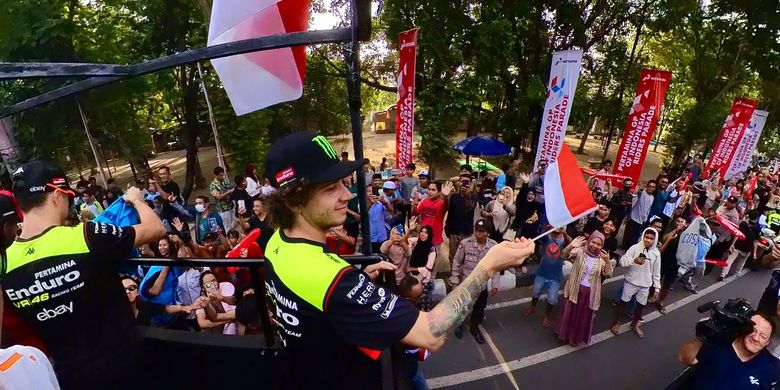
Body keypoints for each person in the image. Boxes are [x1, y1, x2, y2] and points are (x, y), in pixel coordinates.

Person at [261, 132, 534, 388]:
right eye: (331, 188)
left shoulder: (277, 241)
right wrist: (489, 264)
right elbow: (430, 332)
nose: (348, 194)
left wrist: (358, 280)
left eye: (344, 183)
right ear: (293, 202)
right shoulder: (332, 280)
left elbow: (311, 300)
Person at [0, 160, 165, 389]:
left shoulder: (4, 263)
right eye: (67, 196)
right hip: (126, 367)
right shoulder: (85, 236)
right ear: (57, 195)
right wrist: (136, 199)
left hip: (69, 378)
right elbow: (156, 228)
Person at [678, 312, 777, 389]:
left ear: (767, 342)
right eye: (753, 330)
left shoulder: (770, 369)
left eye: (763, 336)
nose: (755, 338)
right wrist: (701, 337)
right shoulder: (717, 342)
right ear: (744, 328)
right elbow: (684, 358)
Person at [556, 232, 613, 346]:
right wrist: (571, 245)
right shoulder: (580, 251)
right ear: (589, 241)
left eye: (598, 244)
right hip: (574, 289)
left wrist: (607, 261)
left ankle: (575, 338)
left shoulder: (602, 259)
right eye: (593, 242)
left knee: (582, 318)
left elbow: (608, 274)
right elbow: (564, 255)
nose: (595, 246)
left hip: (589, 293)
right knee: (570, 313)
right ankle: (564, 335)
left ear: (602, 246)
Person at [449, 219, 500, 344]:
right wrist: (454, 280)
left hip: (481, 285)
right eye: (476, 230)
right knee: (461, 308)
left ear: (488, 233)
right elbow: (456, 263)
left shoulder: (493, 246)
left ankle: (474, 328)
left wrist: (495, 284)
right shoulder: (465, 243)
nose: (478, 233)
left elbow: (496, 266)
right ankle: (459, 326)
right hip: (465, 284)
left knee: (479, 309)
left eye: (482, 231)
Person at [611, 228, 661, 338]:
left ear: (655, 240)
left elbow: (656, 272)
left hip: (645, 285)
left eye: (651, 238)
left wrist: (657, 287)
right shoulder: (635, 248)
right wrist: (633, 261)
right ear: (643, 236)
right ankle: (617, 322)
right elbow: (622, 261)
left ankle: (634, 324)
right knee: (623, 302)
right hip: (631, 282)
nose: (648, 240)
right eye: (646, 237)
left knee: (640, 306)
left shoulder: (656, 254)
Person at [523, 226, 570, 328]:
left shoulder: (564, 240)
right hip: (542, 272)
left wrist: (564, 233)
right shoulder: (547, 236)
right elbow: (541, 234)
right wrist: (549, 226)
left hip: (555, 276)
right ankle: (532, 306)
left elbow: (570, 242)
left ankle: (547, 315)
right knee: (535, 292)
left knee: (552, 299)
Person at [122, 274, 203, 326]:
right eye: (124, 289)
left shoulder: (144, 306)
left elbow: (165, 309)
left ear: (137, 292)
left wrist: (184, 308)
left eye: (131, 288)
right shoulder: (114, 313)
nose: (128, 291)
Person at [415, 180, 454, 272]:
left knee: (433, 264)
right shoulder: (424, 201)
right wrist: (414, 206)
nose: (430, 192)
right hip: (422, 237)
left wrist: (445, 196)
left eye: (433, 190)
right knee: (421, 261)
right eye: (429, 189)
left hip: (435, 239)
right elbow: (416, 213)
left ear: (439, 192)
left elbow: (447, 206)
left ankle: (431, 280)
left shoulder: (441, 203)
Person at [655, 216, 688, 314]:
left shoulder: (686, 235)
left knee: (667, 284)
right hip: (663, 260)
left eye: (682, 221)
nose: (680, 223)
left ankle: (660, 301)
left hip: (675, 263)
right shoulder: (670, 230)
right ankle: (651, 296)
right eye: (678, 221)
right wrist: (676, 230)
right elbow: (664, 239)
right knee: (656, 280)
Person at [445, 176, 479, 264]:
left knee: (465, 254)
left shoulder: (473, 196)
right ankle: (453, 273)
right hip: (454, 230)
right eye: (462, 181)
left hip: (466, 231)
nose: (464, 184)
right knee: (453, 254)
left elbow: (470, 207)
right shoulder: (454, 196)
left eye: (467, 182)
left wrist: (467, 196)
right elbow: (449, 210)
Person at [676, 216, 714, 294]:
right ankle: (670, 284)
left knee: (699, 273)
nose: (702, 227)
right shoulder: (693, 235)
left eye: (704, 225)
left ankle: (691, 285)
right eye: (701, 225)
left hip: (700, 260)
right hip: (690, 258)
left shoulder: (711, 236)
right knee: (680, 273)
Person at [719, 210, 759, 281]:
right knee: (741, 261)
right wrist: (755, 253)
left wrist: (733, 244)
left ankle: (723, 274)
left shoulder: (743, 224)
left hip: (738, 246)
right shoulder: (757, 228)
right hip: (747, 249)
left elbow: (737, 235)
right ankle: (738, 273)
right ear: (756, 219)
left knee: (729, 260)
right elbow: (755, 241)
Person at [407, 225, 437, 311]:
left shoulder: (432, 250)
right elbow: (406, 241)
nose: (423, 234)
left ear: (429, 235)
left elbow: (428, 269)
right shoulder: (416, 242)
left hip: (423, 281)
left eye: (426, 233)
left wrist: (410, 269)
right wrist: (409, 231)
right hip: (412, 279)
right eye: (422, 232)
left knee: (424, 307)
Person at [622, 180, 656, 249]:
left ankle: (630, 249)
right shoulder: (642, 193)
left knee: (635, 238)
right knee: (628, 236)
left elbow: (648, 209)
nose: (651, 188)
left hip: (641, 221)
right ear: (647, 187)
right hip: (633, 218)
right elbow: (638, 191)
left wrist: (645, 218)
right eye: (650, 186)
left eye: (653, 187)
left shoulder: (652, 198)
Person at [210, 166, 236, 231]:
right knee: (227, 226)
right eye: (221, 175)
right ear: (216, 175)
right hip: (223, 209)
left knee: (234, 224)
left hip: (230, 205)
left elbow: (228, 187)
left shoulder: (223, 181)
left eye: (223, 175)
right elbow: (218, 197)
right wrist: (228, 192)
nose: (223, 177)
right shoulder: (213, 186)